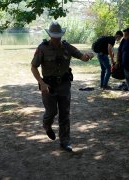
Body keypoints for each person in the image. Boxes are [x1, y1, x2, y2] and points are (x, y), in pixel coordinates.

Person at [31, 22, 94, 152]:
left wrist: (88, 56)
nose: (56, 38)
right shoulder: (42, 48)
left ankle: (65, 141)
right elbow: (33, 67)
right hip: (48, 86)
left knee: (64, 114)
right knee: (51, 112)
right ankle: (47, 125)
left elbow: (82, 57)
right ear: (50, 35)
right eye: (54, 36)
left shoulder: (67, 47)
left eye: (58, 36)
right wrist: (41, 83)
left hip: (64, 85)